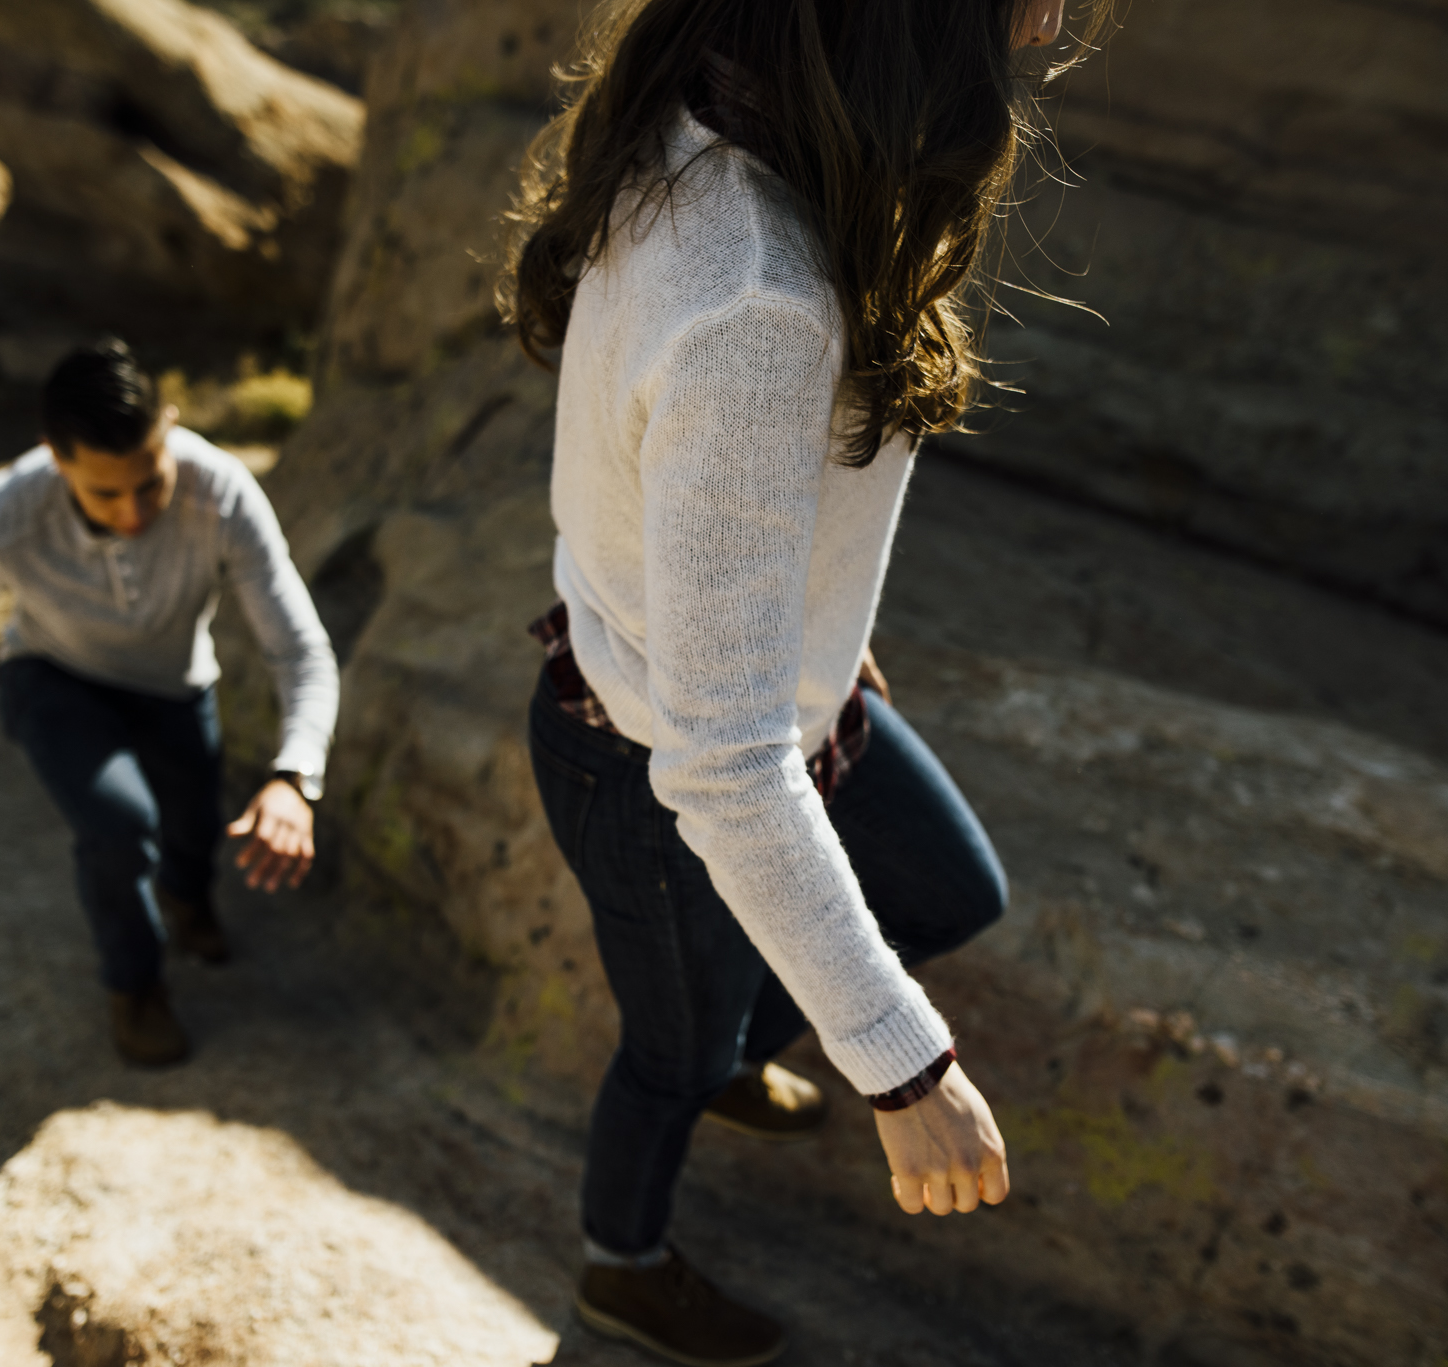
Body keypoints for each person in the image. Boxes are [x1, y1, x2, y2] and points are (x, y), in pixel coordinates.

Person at [503, 1, 1105, 1360]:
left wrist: (797, 628)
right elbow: (720, 764)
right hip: (653, 761)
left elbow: (687, 483)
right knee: (668, 1055)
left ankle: (723, 1043)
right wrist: (903, 1063)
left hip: (763, 699)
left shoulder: (709, 106)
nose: (1056, 21)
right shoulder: (758, 300)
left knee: (955, 885)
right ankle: (623, 1260)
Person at [0, 340, 338, 1067]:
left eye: (151, 482)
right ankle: (136, 986)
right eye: (104, 494)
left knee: (190, 829)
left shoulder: (223, 492)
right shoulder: (1, 517)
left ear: (169, 426)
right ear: (56, 457)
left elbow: (298, 648)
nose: (133, 512)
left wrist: (294, 776)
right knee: (120, 828)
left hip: (177, 682)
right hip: (53, 675)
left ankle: (186, 897)